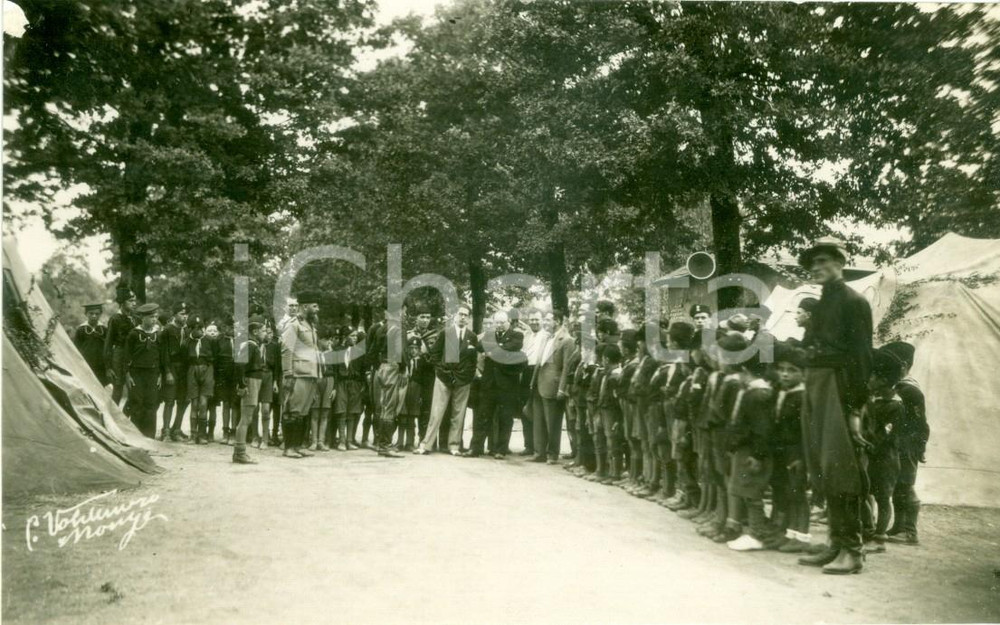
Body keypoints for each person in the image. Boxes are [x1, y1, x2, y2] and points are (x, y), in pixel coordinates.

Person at [797, 236, 873, 575]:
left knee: (841, 467)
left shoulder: (854, 302)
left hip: (838, 387)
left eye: (824, 261)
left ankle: (852, 549)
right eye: (813, 263)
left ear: (840, 263)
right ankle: (834, 543)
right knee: (822, 466)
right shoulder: (821, 303)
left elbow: (861, 357)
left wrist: (856, 408)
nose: (817, 268)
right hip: (815, 383)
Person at [725, 352, 784, 552]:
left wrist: (757, 455)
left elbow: (761, 428)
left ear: (744, 371)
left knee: (752, 492)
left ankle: (756, 534)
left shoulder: (757, 395)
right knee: (746, 490)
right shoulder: (757, 392)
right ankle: (754, 531)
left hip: (752, 451)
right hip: (748, 448)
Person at [880, 341, 928, 546]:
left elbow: (920, 423)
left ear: (902, 366)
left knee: (906, 485)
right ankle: (899, 527)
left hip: (908, 443)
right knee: (899, 485)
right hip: (901, 441)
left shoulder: (908, 390)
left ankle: (910, 531)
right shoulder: (902, 387)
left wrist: (920, 446)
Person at [415, 304, 478, 455]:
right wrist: (441, 370)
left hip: (463, 380)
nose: (462, 317)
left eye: (465, 315)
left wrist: (467, 376)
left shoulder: (472, 336)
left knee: (458, 413)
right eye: (460, 314)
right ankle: (426, 445)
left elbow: (473, 361)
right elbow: (435, 355)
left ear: (468, 318)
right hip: (444, 377)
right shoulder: (445, 333)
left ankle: (454, 446)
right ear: (455, 316)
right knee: (436, 412)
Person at [858, 350, 905, 554]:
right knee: (865, 492)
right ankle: (868, 530)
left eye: (873, 377)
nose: (870, 380)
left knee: (883, 497)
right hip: (872, 455)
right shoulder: (874, 400)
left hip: (886, 458)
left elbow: (888, 434)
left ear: (884, 380)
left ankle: (880, 539)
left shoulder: (896, 406)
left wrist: (869, 443)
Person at [768, 343, 812, 553]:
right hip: (780, 451)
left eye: (792, 370)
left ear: (804, 373)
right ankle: (784, 531)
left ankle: (801, 535)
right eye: (782, 369)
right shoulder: (781, 393)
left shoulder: (803, 397)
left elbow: (806, 432)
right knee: (781, 490)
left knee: (798, 493)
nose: (785, 374)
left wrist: (802, 456)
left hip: (796, 453)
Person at [467, 311, 525, 458]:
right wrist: (498, 347)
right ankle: (475, 448)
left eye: (502, 322)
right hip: (489, 383)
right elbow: (480, 346)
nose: (499, 325)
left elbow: (512, 346)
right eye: (496, 322)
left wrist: (492, 350)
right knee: (482, 416)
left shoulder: (517, 335)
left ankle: (501, 450)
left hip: (507, 384)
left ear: (508, 322)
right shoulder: (489, 335)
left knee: (506, 418)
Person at [529, 309, 575, 464]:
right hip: (538, 383)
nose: (545, 323)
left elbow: (567, 367)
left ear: (557, 321)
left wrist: (562, 388)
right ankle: (539, 452)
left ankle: (552, 454)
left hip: (553, 386)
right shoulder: (546, 338)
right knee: (538, 420)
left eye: (548, 320)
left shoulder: (567, 340)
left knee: (553, 422)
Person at [280, 291, 322, 459]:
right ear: (304, 306)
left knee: (304, 412)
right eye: (314, 306)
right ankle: (289, 447)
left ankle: (298, 446)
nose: (317, 309)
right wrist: (288, 374)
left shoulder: (310, 324)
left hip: (310, 374)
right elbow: (286, 349)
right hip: (298, 374)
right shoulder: (294, 324)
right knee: (293, 411)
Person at [123, 303, 169, 438]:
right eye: (150, 317)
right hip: (136, 373)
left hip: (153, 373)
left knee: (151, 404)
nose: (154, 320)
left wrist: (161, 374)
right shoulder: (134, 334)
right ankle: (136, 436)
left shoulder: (158, 334)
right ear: (142, 318)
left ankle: (149, 436)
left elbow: (162, 356)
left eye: (155, 317)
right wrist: (127, 374)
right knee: (137, 404)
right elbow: (126, 356)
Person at [371, 308, 407, 458]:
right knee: (390, 408)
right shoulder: (399, 329)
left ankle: (381, 444)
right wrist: (404, 368)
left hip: (381, 368)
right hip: (392, 367)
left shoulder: (381, 328)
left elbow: (371, 351)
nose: (404, 313)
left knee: (383, 406)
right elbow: (401, 352)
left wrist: (377, 367)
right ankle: (385, 445)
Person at [233, 316, 268, 465]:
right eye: (263, 331)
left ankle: (239, 452)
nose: (265, 334)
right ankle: (240, 453)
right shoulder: (250, 345)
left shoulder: (253, 345)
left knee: (247, 416)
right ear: (255, 332)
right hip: (251, 381)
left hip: (255, 381)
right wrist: (242, 385)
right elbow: (240, 366)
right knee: (246, 418)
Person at [517, 310, 547, 456]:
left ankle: (540, 446)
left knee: (538, 411)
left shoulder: (547, 336)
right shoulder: (526, 336)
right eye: (531, 320)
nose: (534, 322)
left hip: (539, 372)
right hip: (526, 372)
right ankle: (528, 445)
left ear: (541, 320)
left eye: (537, 319)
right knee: (525, 409)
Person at [104, 284, 138, 407]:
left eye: (134, 300)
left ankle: (126, 419)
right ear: (122, 303)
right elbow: (108, 344)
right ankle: (112, 419)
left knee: (133, 390)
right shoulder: (115, 319)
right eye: (130, 301)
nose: (134, 303)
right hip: (119, 355)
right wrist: (108, 367)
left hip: (133, 356)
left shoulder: (135, 318)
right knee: (117, 390)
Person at [160, 302, 190, 441]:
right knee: (170, 400)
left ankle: (176, 429)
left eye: (186, 314)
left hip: (184, 368)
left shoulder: (187, 331)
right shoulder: (167, 330)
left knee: (183, 400)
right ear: (174, 315)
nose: (185, 317)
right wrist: (167, 372)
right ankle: (165, 431)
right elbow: (164, 352)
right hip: (172, 366)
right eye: (182, 314)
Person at [213, 317, 240, 446]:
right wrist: (217, 377)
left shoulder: (241, 341)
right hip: (223, 374)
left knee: (235, 403)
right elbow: (216, 359)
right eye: (230, 327)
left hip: (236, 374)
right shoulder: (219, 341)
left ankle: (234, 432)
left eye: (235, 327)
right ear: (225, 328)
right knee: (226, 403)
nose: (232, 329)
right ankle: (225, 431)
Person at [397, 336, 423, 452]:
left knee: (412, 417)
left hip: (416, 391)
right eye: (411, 348)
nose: (413, 351)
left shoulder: (422, 362)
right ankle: (399, 442)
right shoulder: (404, 362)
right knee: (402, 416)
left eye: (416, 348)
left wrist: (421, 395)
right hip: (404, 390)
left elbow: (424, 380)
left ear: (419, 350)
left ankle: (410, 442)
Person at [74, 303, 108, 386]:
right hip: (86, 363)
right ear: (86, 314)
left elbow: (108, 347)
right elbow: (76, 348)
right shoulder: (81, 330)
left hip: (101, 365)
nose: (94, 316)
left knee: (101, 384)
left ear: (100, 314)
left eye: (97, 314)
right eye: (91, 313)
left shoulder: (104, 329)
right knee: (87, 385)